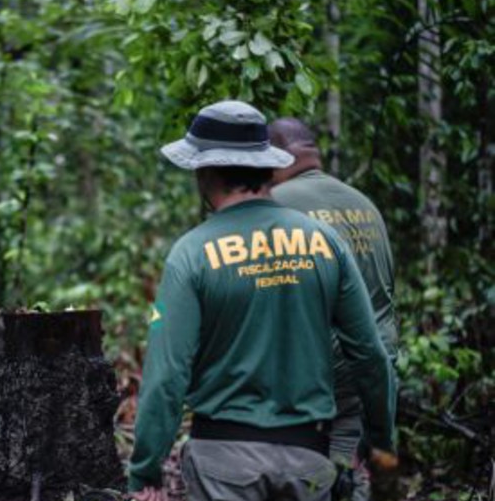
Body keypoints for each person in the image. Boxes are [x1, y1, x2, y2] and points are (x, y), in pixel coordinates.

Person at [127, 100, 397, 501]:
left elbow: (167, 377)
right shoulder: (326, 243)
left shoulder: (191, 254)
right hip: (309, 461)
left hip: (221, 466)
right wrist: (379, 443)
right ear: (268, 167)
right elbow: (371, 356)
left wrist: (145, 472)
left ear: (205, 171)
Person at [269, 118, 398, 501]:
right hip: (373, 367)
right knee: (345, 469)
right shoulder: (365, 205)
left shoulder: (276, 207)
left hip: (314, 374)